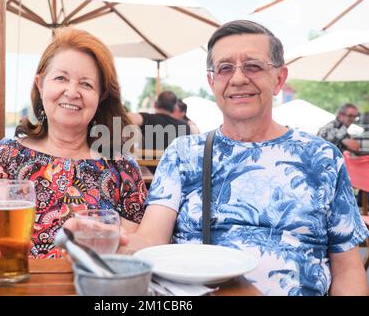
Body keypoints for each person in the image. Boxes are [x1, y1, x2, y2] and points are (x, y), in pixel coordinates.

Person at [103, 20, 369, 295]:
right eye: (225, 68)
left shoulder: (323, 157)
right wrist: (103, 241)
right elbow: (150, 241)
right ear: (212, 81)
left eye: (253, 66)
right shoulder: (184, 154)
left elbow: (348, 268)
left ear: (279, 78)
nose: (238, 78)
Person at [0, 27, 148, 283]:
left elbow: (133, 245)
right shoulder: (5, 154)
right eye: (61, 78)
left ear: (101, 97)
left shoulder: (123, 168)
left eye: (86, 84)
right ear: (40, 83)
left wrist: (105, 243)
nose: (72, 91)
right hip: (10, 286)